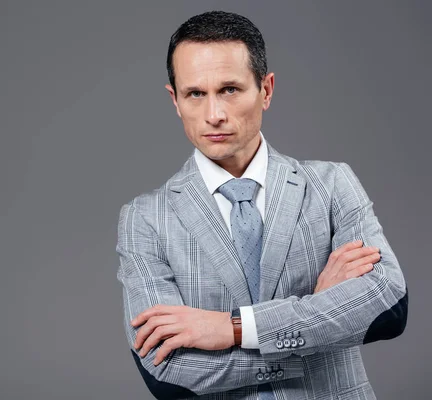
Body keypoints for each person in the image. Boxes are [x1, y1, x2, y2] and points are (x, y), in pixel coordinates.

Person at [115, 10, 408, 400]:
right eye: (195, 94)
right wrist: (320, 315)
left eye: (230, 89)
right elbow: (166, 372)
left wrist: (233, 328)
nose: (214, 115)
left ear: (266, 90)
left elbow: (388, 306)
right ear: (175, 99)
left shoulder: (332, 184)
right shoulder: (144, 219)